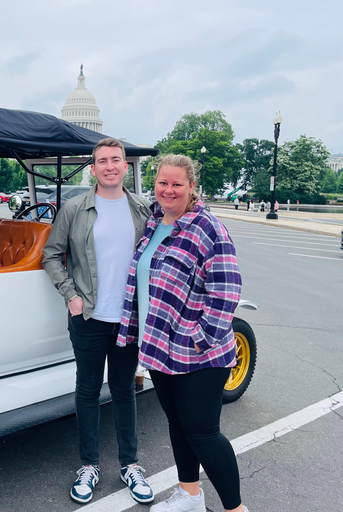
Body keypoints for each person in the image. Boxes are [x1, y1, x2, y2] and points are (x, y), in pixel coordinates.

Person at [118, 154, 248, 512]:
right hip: (159, 347)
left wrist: (199, 339)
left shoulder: (208, 228)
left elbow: (227, 291)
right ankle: (190, 495)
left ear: (192, 187)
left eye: (177, 184)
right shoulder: (154, 223)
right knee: (178, 424)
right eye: (162, 183)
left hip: (198, 354)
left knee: (203, 432)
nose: (168, 190)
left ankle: (235, 509)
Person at [43, 137, 154, 505]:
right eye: (102, 160)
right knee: (88, 391)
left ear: (125, 166)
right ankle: (89, 465)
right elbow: (51, 255)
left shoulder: (142, 208)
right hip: (89, 316)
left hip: (128, 319)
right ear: (93, 168)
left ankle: (130, 464)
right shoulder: (75, 208)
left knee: (124, 391)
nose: (109, 166)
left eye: (116, 160)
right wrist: (71, 296)